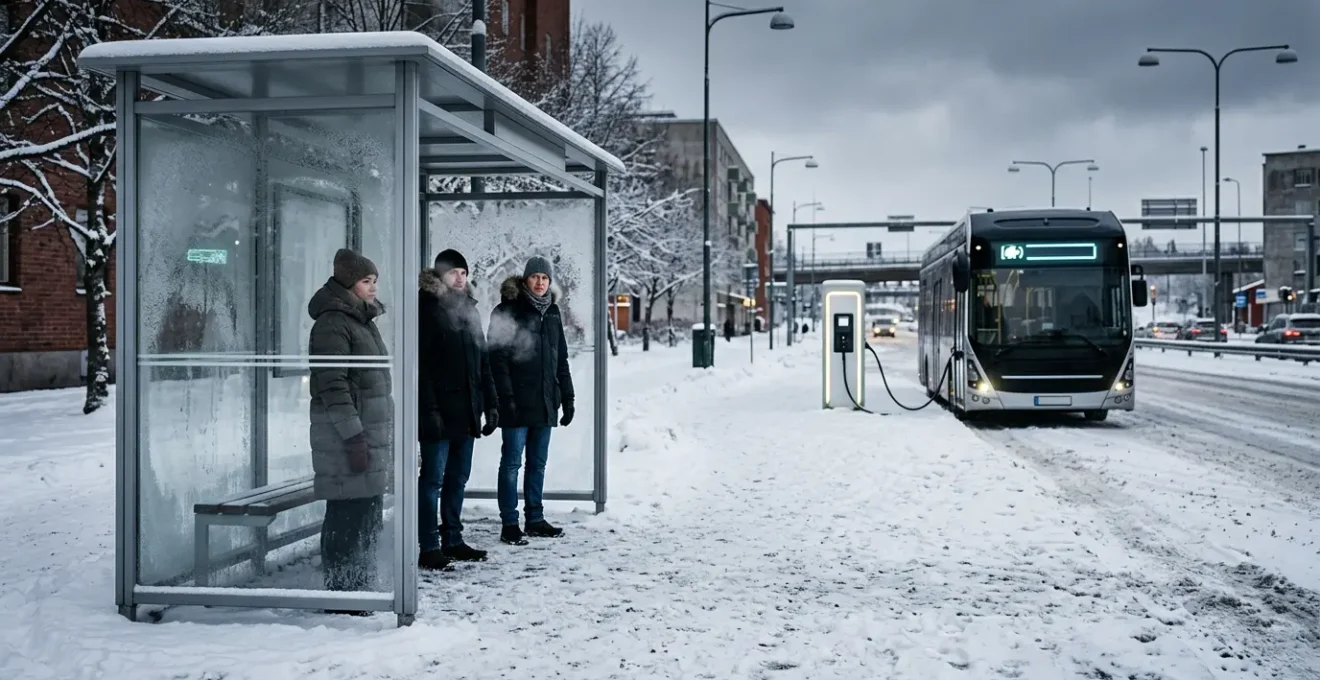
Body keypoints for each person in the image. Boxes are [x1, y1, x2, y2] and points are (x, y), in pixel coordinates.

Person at [308, 249, 392, 614]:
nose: (372, 288)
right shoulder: (333, 324)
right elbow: (333, 386)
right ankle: (341, 592)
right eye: (365, 281)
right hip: (345, 438)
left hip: (367, 434)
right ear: (348, 283)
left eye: (374, 281)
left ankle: (359, 584)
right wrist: (353, 436)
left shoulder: (361, 320)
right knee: (346, 515)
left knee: (367, 512)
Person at [418, 248, 499, 567]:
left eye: (464, 273)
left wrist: (491, 404)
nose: (460, 278)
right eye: (453, 272)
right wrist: (429, 410)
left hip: (466, 410)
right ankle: (428, 545)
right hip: (437, 412)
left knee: (458, 478)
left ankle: (453, 538)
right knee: (433, 479)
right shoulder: (426, 308)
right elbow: (420, 366)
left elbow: (483, 361)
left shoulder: (470, 310)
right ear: (440, 275)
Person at [487, 256, 574, 545]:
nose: (540, 282)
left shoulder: (552, 312)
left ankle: (535, 519)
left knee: (537, 463)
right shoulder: (507, 310)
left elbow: (560, 357)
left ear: (550, 282)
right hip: (516, 402)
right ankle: (510, 523)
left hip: (546, 401)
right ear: (525, 280)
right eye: (535, 277)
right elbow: (496, 358)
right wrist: (505, 398)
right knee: (511, 463)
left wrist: (568, 397)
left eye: (545, 278)